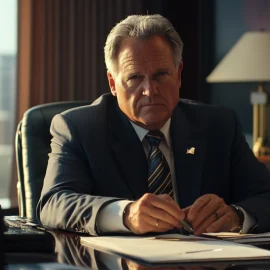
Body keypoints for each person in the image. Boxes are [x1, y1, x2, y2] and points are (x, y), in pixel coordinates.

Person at [37, 14, 270, 236]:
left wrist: (236, 216)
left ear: (178, 75)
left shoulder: (218, 126)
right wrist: (125, 214)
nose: (150, 90)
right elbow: (53, 202)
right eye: (135, 78)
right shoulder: (79, 128)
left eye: (160, 75)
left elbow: (265, 196)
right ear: (113, 83)